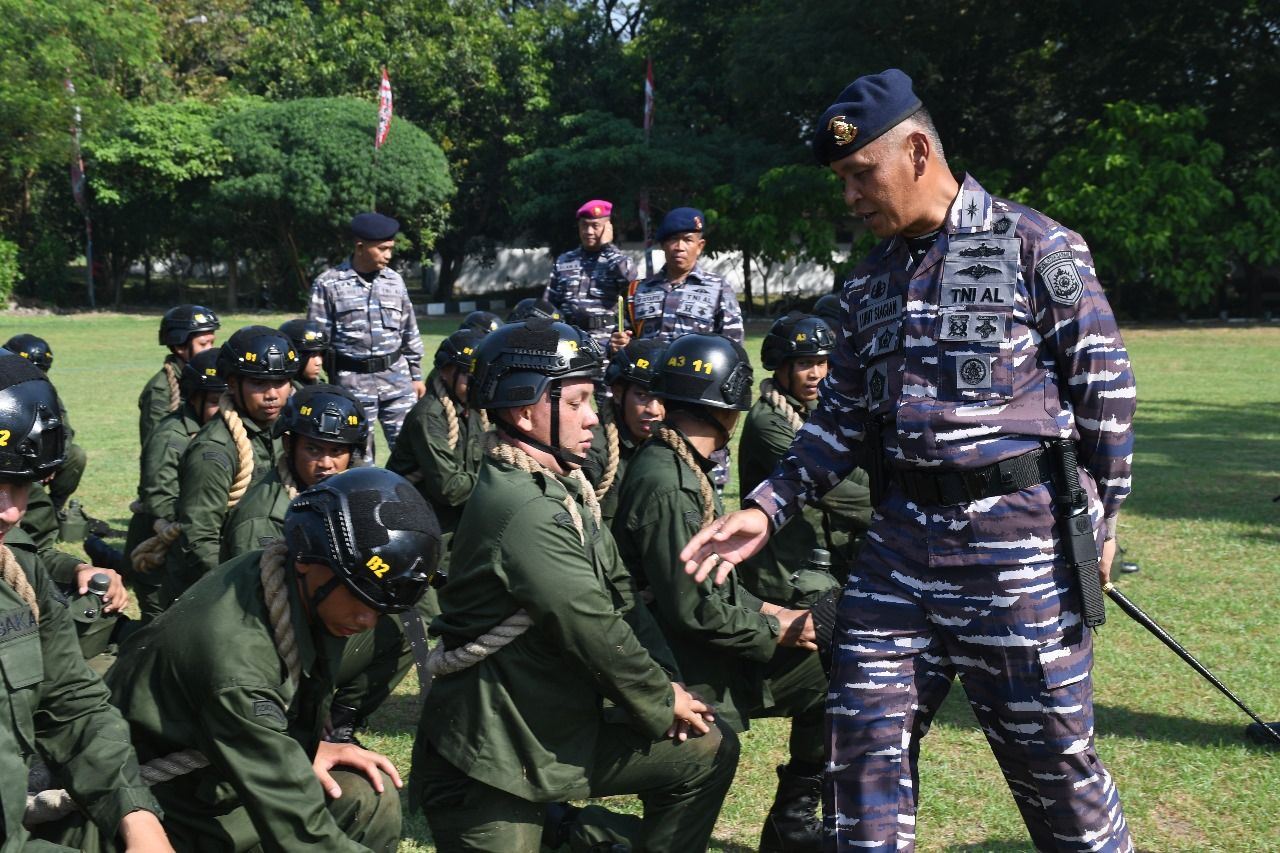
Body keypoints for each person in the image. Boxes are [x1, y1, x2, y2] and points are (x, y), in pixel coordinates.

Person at [681, 69, 1137, 851]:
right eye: (843, 181)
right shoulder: (870, 285)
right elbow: (841, 419)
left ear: (918, 150)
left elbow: (1106, 393)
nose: (851, 197)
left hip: (1017, 556)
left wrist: (1100, 514)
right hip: (898, 555)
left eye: (862, 175)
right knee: (857, 753)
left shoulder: (1035, 245)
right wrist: (766, 505)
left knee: (1054, 768)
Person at [413, 319, 738, 852]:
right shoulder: (525, 507)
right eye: (578, 402)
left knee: (707, 747)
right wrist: (661, 698)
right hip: (494, 749)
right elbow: (588, 622)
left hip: (557, 722)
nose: (593, 419)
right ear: (524, 409)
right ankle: (566, 830)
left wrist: (669, 685)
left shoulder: (565, 488)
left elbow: (623, 600)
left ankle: (570, 828)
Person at [106, 467, 441, 852]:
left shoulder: (282, 573)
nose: (368, 620)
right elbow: (302, 835)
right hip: (162, 808)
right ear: (309, 562)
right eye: (359, 596)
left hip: (220, 773)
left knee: (364, 794)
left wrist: (305, 745)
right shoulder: (236, 665)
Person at [612, 332, 828, 852]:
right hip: (675, 657)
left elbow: (713, 583)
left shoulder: (680, 463)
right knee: (827, 666)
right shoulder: (668, 479)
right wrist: (777, 627)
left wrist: (775, 611)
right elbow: (693, 609)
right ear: (726, 406)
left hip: (694, 641)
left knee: (831, 660)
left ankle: (795, 821)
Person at [0, 348, 173, 851]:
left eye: (22, 486)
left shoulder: (20, 572)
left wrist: (139, 820)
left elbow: (73, 704)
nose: (12, 513)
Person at [220, 385, 413, 746]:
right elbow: (262, 615)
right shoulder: (263, 517)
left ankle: (343, 720)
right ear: (290, 446)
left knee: (402, 619)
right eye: (314, 449)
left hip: (317, 619)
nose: (325, 463)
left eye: (337, 451)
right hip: (270, 645)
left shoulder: (338, 496)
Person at [737, 313, 872, 607]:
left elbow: (853, 469)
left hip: (818, 562)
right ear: (782, 367)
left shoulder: (818, 411)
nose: (815, 373)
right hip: (784, 574)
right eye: (804, 364)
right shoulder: (769, 422)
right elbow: (832, 489)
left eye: (822, 363)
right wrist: (892, 511)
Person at [163, 325, 298, 606]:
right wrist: (244, 593)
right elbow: (198, 539)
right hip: (220, 587)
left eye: (281, 381)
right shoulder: (214, 450)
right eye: (259, 383)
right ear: (233, 384)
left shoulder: (285, 432)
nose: (272, 394)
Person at [118, 347, 226, 623]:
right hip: (160, 551)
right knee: (160, 625)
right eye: (215, 401)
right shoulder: (171, 438)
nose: (223, 409)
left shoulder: (220, 433)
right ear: (194, 397)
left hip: (188, 547)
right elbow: (159, 499)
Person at [308, 212, 426, 461]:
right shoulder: (328, 284)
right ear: (360, 246)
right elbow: (316, 342)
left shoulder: (395, 282)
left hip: (398, 383)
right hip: (352, 386)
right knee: (359, 459)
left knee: (413, 454)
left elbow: (409, 330)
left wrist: (416, 376)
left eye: (391, 248)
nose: (389, 255)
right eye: (382, 249)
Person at [385, 327, 490, 593]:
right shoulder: (430, 416)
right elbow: (450, 489)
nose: (477, 382)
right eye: (469, 374)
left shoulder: (474, 410)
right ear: (446, 371)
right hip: (422, 527)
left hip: (458, 523)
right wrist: (498, 483)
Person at [610, 206, 743, 352]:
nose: (679, 247)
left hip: (696, 373)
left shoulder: (719, 289)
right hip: (646, 373)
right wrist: (619, 345)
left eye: (688, 240)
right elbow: (620, 344)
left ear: (700, 246)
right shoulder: (638, 290)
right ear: (663, 245)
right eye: (673, 239)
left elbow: (733, 348)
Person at [4, 333, 88, 512]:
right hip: (13, 458)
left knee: (75, 455)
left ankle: (54, 509)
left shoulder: (43, 392)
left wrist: (52, 458)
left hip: (38, 454)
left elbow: (63, 429)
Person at [587, 337, 666, 523]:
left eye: (662, 398)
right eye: (642, 396)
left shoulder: (669, 447)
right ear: (618, 393)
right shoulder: (591, 450)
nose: (654, 410)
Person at [544, 198, 637, 347]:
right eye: (584, 225)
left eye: (595, 226)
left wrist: (607, 246)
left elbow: (630, 280)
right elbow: (548, 304)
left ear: (608, 227)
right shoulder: (564, 261)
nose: (588, 231)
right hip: (567, 341)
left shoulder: (617, 261)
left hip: (604, 344)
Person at [138, 304, 219, 446]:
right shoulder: (160, 391)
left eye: (212, 343)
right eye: (203, 344)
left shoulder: (206, 379)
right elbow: (156, 445)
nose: (210, 350)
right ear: (180, 347)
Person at [280, 317, 331, 390]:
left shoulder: (322, 387)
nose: (319, 362)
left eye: (321, 354)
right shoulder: (283, 394)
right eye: (313, 355)